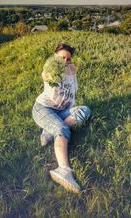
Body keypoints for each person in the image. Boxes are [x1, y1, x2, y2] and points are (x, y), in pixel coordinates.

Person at [32, 43, 91, 193]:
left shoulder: (71, 70)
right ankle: (63, 170)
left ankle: (49, 130)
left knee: (85, 110)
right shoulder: (50, 70)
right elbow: (46, 75)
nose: (65, 61)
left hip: (61, 111)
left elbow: (72, 93)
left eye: (68, 59)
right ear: (54, 56)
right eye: (62, 57)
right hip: (43, 109)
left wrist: (71, 72)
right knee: (63, 129)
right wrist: (55, 70)